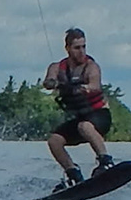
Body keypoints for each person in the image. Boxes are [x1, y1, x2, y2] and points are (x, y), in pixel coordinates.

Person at [41, 27, 115, 191]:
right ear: (67, 48)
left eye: (84, 46)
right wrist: (53, 83)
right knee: (54, 141)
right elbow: (48, 81)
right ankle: (73, 173)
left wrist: (82, 88)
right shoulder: (57, 67)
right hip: (80, 119)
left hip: (99, 116)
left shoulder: (91, 67)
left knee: (85, 126)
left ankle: (106, 161)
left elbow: (95, 85)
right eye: (77, 48)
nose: (82, 51)